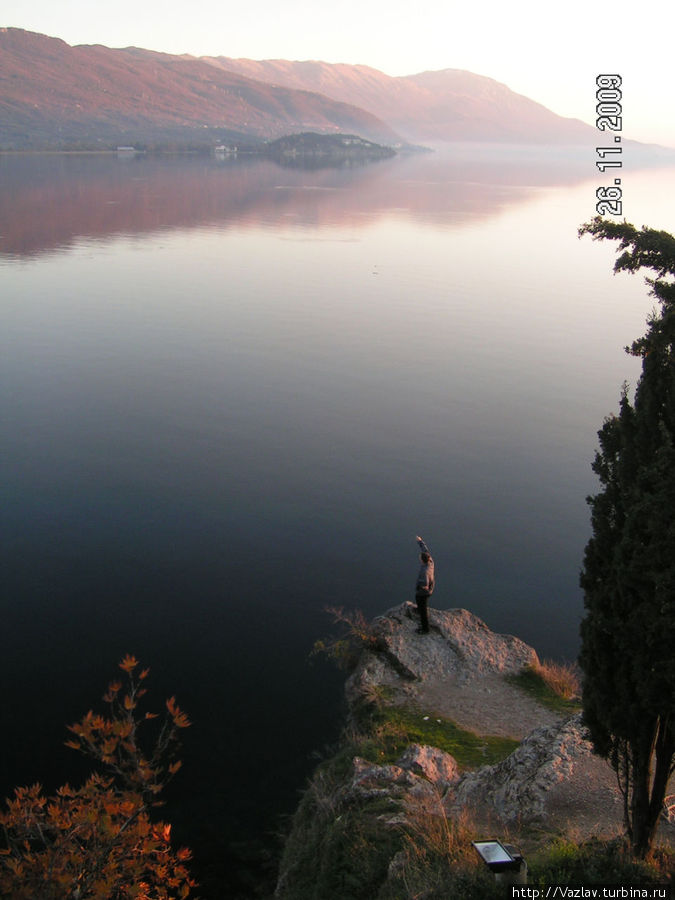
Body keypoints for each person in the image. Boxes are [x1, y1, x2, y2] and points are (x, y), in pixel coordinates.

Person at [414, 535, 434, 634]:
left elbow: (425, 583)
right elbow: (425, 550)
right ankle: (418, 609)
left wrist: (421, 587)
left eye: (420, 558)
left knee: (423, 610)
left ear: (422, 560)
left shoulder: (424, 571)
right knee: (417, 598)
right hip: (430, 588)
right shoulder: (430, 561)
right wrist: (420, 541)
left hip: (424, 592)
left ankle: (425, 629)